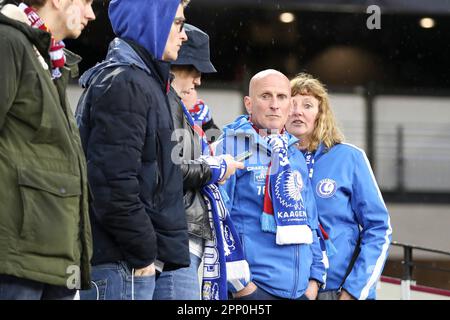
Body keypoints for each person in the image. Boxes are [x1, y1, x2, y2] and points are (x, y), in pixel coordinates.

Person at [75, 0, 191, 300]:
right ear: (153, 22)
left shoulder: (142, 80)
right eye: (178, 23)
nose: (185, 35)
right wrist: (143, 252)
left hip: (128, 262)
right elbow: (112, 184)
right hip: (121, 264)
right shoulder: (126, 82)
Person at [0, 0, 95, 300]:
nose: (91, 14)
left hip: (56, 261)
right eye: (87, 2)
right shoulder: (9, 41)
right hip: (19, 261)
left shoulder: (48, 57)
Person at [215, 69, 326, 300]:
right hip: (254, 290)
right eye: (265, 96)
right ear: (248, 103)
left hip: (301, 292)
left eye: (282, 97)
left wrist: (313, 281)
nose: (275, 105)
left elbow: (311, 222)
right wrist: (241, 287)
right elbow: (216, 220)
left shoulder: (294, 153)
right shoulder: (228, 147)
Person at [153, 23, 244, 300]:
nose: (198, 82)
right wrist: (217, 169)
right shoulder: (165, 101)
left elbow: (210, 144)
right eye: (196, 70)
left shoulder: (198, 117)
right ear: (176, 65)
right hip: (173, 235)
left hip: (182, 235)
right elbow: (173, 169)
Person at [285, 73, 392, 300]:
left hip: (337, 291)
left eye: (307, 105)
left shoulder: (349, 158)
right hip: (284, 290)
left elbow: (379, 229)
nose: (297, 111)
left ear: (320, 114)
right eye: (291, 103)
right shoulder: (271, 161)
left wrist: (354, 292)